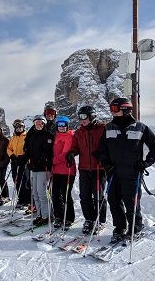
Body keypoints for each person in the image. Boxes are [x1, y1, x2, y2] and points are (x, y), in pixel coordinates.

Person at [99, 97, 155, 243]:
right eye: (111, 109)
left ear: (124, 109)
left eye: (115, 109)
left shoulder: (140, 127)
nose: (112, 112)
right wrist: (106, 164)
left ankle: (135, 228)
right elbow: (102, 149)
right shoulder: (109, 127)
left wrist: (146, 162)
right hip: (113, 173)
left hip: (132, 173)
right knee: (114, 202)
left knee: (132, 203)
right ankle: (119, 227)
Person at [66, 106, 107, 234]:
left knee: (98, 196)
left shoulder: (102, 129)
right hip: (84, 168)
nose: (81, 119)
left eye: (84, 116)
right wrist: (72, 152)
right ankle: (89, 219)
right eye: (79, 116)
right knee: (85, 195)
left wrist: (102, 153)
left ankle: (100, 221)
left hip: (98, 168)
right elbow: (75, 147)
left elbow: (109, 145)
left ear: (92, 116)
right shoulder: (79, 132)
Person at [24, 115, 54, 226]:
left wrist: (37, 163)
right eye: (37, 122)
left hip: (43, 168)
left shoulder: (48, 136)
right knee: (35, 193)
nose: (39, 124)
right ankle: (40, 214)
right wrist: (26, 160)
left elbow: (47, 152)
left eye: (41, 122)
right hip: (34, 168)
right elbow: (28, 150)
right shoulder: (32, 135)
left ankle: (47, 215)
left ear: (44, 123)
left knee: (42, 192)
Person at [51, 116, 76, 229]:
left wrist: (52, 160)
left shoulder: (70, 136)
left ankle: (69, 217)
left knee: (65, 193)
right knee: (55, 193)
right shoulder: (56, 137)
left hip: (67, 170)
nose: (62, 127)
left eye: (64, 124)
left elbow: (65, 154)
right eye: (60, 124)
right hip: (56, 170)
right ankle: (59, 216)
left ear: (67, 125)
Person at [7, 119, 29, 209]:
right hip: (15, 162)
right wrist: (12, 156)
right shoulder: (13, 138)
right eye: (17, 127)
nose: (19, 128)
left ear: (23, 127)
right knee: (16, 180)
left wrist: (23, 157)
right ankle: (21, 199)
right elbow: (9, 148)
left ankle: (27, 200)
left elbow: (28, 148)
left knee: (24, 181)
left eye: (20, 127)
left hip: (23, 162)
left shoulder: (26, 137)